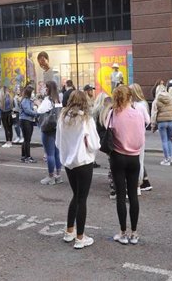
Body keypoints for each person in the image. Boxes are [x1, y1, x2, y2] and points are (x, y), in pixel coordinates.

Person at [57, 90, 100, 249]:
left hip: (69, 163)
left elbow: (58, 142)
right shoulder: (86, 119)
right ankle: (80, 238)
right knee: (82, 198)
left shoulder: (62, 118)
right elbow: (95, 143)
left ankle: (70, 231)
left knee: (76, 196)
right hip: (83, 161)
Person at [106, 85, 145, 245]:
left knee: (121, 196)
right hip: (134, 157)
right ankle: (134, 233)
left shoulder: (113, 113)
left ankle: (123, 233)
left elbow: (106, 127)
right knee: (133, 195)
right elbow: (145, 127)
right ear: (130, 97)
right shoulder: (138, 112)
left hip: (118, 156)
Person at [37, 80, 63, 185]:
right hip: (56, 128)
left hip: (47, 128)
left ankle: (50, 176)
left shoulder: (47, 100)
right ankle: (58, 175)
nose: (43, 89)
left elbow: (40, 111)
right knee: (57, 153)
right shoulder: (58, 99)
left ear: (48, 88)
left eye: (45, 87)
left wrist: (38, 103)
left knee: (50, 154)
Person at [129, 83, 152, 193]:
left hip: (130, 136)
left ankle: (136, 185)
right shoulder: (142, 104)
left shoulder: (136, 105)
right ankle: (138, 185)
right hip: (139, 136)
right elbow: (148, 121)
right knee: (139, 161)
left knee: (135, 161)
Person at [150, 84, 172, 165]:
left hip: (162, 122)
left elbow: (154, 114)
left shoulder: (156, 100)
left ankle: (166, 159)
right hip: (171, 121)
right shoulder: (171, 99)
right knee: (170, 139)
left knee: (164, 141)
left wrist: (152, 124)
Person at [19, 85, 37, 163]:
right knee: (27, 140)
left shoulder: (28, 100)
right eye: (33, 92)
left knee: (26, 139)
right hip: (26, 120)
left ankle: (24, 156)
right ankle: (27, 157)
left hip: (26, 120)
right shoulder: (26, 100)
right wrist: (36, 113)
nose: (34, 93)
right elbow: (28, 111)